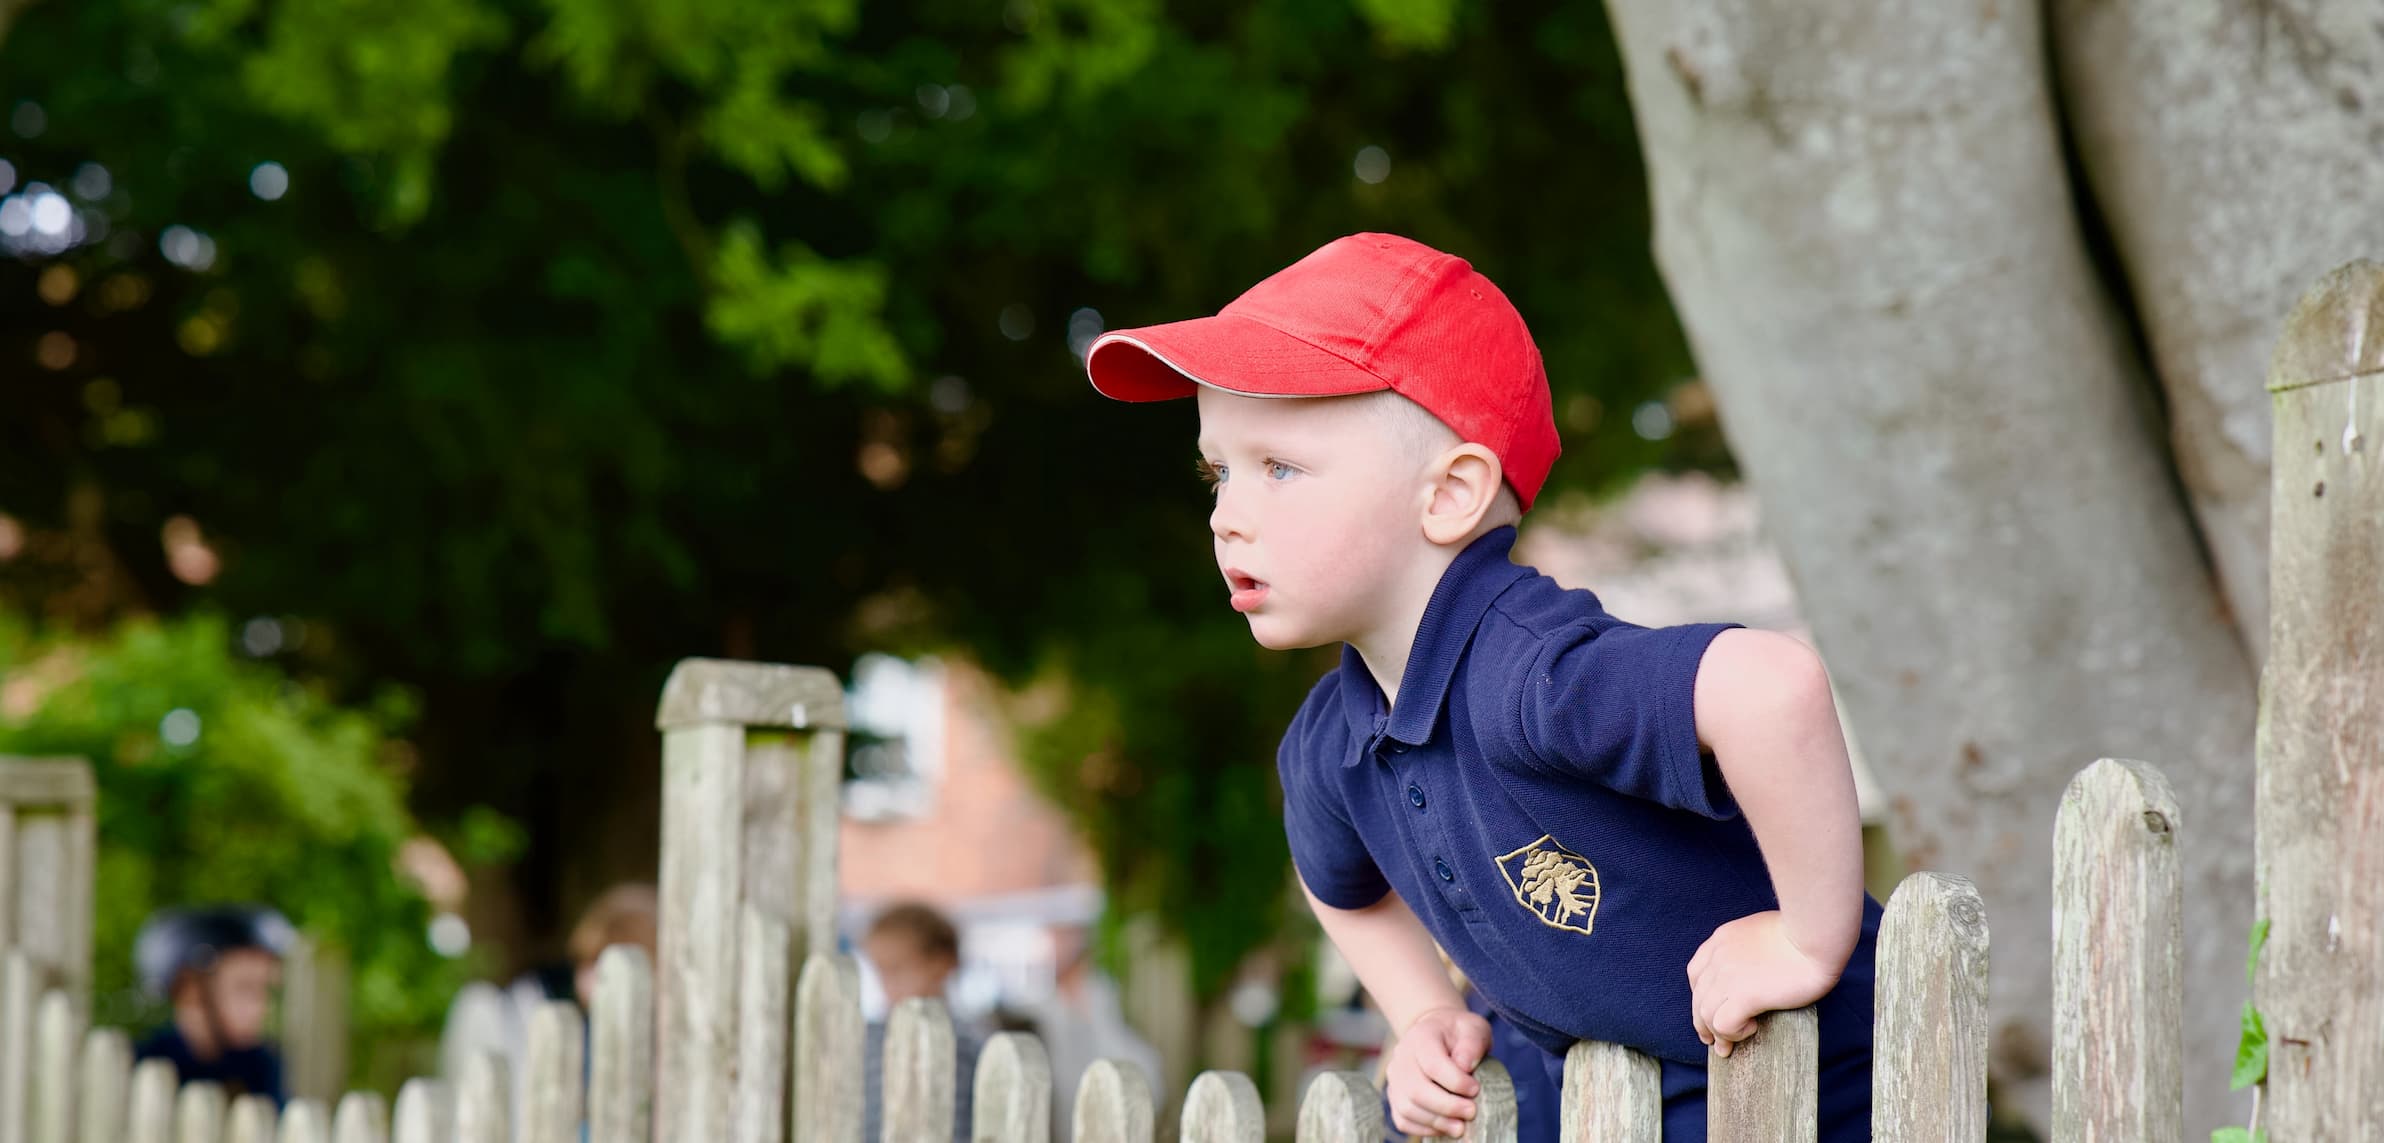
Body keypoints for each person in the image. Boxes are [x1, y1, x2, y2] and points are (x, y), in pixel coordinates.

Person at [1084, 233, 1878, 1141]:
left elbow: (1773, 688)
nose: (1227, 515)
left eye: (1280, 469)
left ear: (1452, 494)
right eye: (1218, 472)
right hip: (1583, 1083)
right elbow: (1337, 884)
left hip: (1802, 1079)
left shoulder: (1534, 671)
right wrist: (1421, 1011)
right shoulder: (1328, 740)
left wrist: (1806, 939)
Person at [133, 904, 295, 1104]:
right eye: (245, 987)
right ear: (191, 990)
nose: (262, 1007)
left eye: (267, 990)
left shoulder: (261, 1065)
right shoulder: (144, 1063)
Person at [858, 902, 980, 1143]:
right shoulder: (868, 1040)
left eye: (897, 969)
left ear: (940, 965)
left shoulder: (968, 1044)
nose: (887, 986)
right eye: (881, 972)